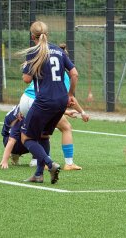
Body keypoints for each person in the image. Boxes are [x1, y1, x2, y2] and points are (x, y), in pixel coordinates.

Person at [19, 21, 78, 184]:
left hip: (44, 100)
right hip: (61, 101)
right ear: (47, 34)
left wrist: (26, 67)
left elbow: (26, 79)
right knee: (43, 136)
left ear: (32, 36)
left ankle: (50, 163)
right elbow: (74, 74)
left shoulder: (33, 52)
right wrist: (71, 95)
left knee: (26, 138)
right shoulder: (59, 51)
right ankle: (38, 174)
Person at [20, 43, 89, 171]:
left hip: (25, 100)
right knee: (66, 128)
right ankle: (65, 163)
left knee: (39, 134)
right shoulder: (61, 75)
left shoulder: (42, 64)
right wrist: (82, 112)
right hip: (40, 102)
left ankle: (38, 165)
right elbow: (68, 97)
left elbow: (29, 80)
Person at [0, 105, 29, 169]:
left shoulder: (25, 107)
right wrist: (4, 160)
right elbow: (11, 139)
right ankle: (15, 153)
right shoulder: (21, 116)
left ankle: (15, 154)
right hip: (10, 139)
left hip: (9, 137)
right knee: (35, 136)